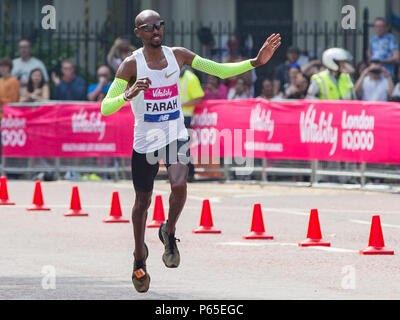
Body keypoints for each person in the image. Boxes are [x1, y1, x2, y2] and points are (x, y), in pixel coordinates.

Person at [100, 9, 281, 293]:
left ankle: (168, 231)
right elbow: (105, 107)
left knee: (180, 184)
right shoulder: (130, 66)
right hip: (146, 140)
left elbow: (218, 70)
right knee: (142, 203)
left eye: (160, 25)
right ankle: (139, 256)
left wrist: (256, 62)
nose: (156, 30)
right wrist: (128, 94)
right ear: (139, 33)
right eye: (149, 27)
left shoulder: (178, 55)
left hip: (174, 133)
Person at [180, 66, 205, 182]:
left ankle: (188, 173)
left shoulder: (190, 78)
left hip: (185, 117)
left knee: (183, 147)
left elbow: (198, 98)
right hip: (172, 117)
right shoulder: (170, 77)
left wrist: (180, 106)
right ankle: (180, 174)